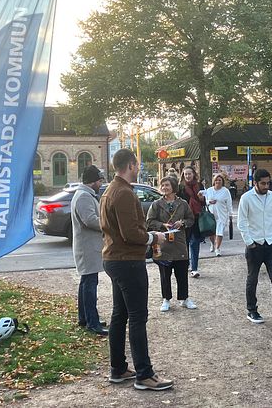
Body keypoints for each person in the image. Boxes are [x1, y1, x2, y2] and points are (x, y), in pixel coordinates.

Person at [100, 149, 173, 391]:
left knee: (119, 315)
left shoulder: (110, 190)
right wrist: (155, 236)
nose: (139, 167)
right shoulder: (124, 193)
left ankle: (118, 368)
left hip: (115, 259)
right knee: (137, 317)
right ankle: (144, 374)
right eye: (137, 164)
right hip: (128, 261)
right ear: (131, 164)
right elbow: (131, 233)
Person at [237, 168, 272, 327]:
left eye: (268, 183)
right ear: (255, 183)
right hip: (255, 245)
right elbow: (242, 222)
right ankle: (252, 310)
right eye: (263, 183)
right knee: (252, 279)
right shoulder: (246, 198)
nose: (266, 186)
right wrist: (249, 242)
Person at [146, 176, 197, 312]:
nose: (164, 188)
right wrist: (162, 225)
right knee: (165, 274)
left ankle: (184, 298)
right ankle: (166, 299)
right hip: (162, 242)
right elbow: (149, 221)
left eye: (167, 185)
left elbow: (191, 219)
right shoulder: (156, 204)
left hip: (179, 242)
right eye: (162, 185)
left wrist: (183, 223)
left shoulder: (183, 204)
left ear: (174, 187)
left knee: (181, 272)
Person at [71, 165, 108, 336]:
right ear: (92, 181)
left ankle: (85, 318)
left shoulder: (84, 194)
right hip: (88, 249)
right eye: (100, 180)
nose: (101, 183)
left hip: (87, 247)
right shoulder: (84, 196)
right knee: (90, 285)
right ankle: (92, 323)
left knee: (86, 283)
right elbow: (90, 220)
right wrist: (108, 224)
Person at [178, 166, 206, 278]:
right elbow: (178, 203)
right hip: (185, 218)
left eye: (190, 174)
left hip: (197, 217)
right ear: (183, 176)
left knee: (195, 243)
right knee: (185, 243)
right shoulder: (180, 187)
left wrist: (201, 199)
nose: (188, 176)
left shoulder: (199, 186)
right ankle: (186, 264)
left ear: (194, 174)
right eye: (186, 174)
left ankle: (194, 268)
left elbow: (204, 203)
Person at [204, 172, 233, 256]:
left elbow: (229, 203)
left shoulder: (225, 191)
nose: (218, 181)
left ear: (222, 182)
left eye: (219, 180)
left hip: (222, 214)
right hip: (211, 214)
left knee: (219, 232)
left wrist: (230, 214)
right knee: (211, 232)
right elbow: (204, 201)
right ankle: (213, 244)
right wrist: (209, 202)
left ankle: (217, 248)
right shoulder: (209, 190)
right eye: (216, 180)